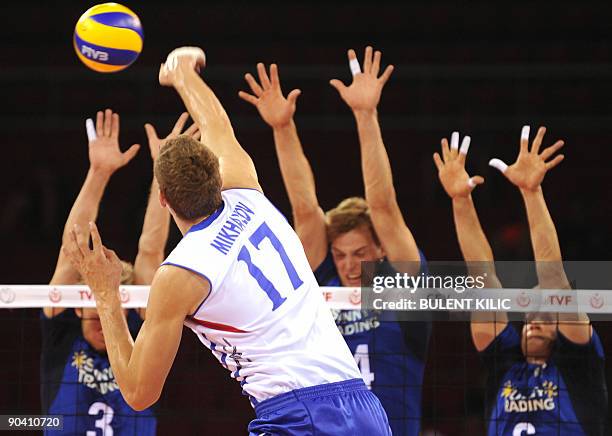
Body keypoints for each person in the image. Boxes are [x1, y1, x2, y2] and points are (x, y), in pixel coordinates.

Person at [64, 47, 392, 435]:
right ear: (217, 176)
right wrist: (183, 72)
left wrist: (105, 294)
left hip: (299, 416)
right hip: (363, 406)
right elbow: (216, 123)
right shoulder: (247, 190)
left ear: (164, 198)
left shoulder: (181, 273)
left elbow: (138, 392)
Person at [239, 47, 430, 436]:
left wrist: (365, 114)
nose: (348, 265)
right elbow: (306, 210)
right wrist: (282, 127)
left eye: (360, 253)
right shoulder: (322, 284)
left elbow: (384, 206)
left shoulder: (403, 289)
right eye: (341, 254)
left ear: (380, 251)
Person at [434, 126, 607, 435]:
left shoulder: (579, 365)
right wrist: (460, 200)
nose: (534, 321)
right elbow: (482, 279)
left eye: (545, 314)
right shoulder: (505, 365)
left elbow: (554, 279)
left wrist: (532, 192)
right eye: (529, 316)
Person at [44, 109, 198, 435]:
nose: (100, 319)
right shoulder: (62, 329)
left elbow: (151, 249)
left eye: (109, 308)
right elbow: (71, 249)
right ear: (77, 304)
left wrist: (163, 173)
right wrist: (98, 172)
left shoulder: (140, 328)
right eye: (93, 309)